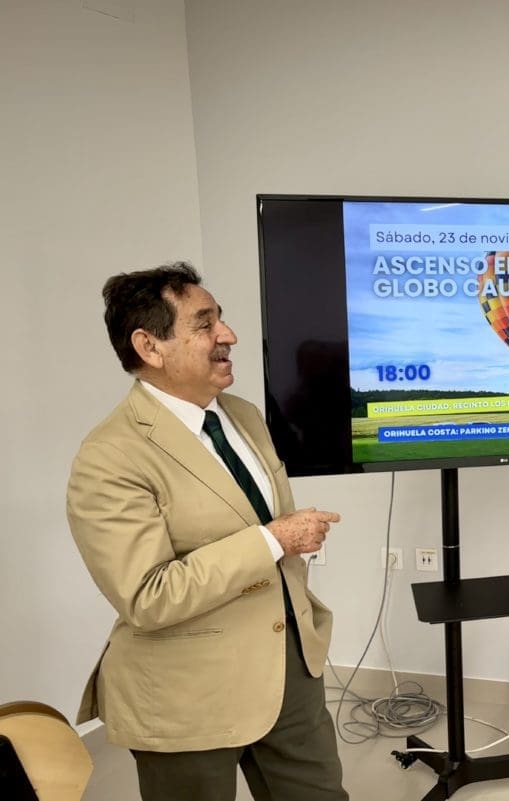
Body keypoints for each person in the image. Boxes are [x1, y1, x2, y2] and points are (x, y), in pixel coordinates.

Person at [67, 263, 349, 801]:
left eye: (221, 318)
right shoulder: (109, 456)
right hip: (187, 694)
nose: (229, 335)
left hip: (291, 668)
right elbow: (147, 596)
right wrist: (275, 540)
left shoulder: (244, 415)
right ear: (150, 346)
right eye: (205, 323)